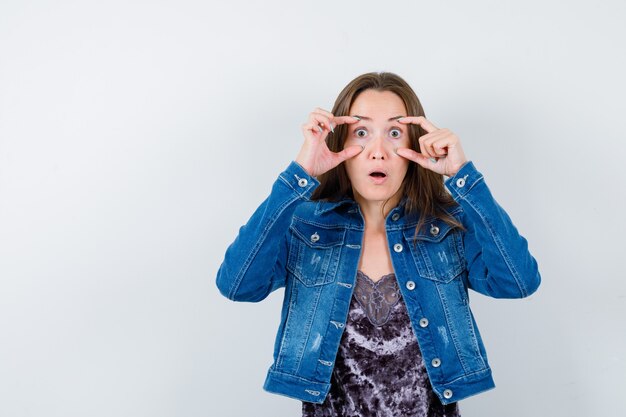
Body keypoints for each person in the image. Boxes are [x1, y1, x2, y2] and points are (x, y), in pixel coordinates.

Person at [216, 72, 541, 417]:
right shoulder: (305, 227)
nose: (378, 152)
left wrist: (463, 175)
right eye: (361, 132)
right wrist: (300, 173)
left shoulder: (446, 227)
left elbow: (518, 283)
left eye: (395, 133)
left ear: (416, 145)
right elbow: (237, 285)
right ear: (340, 143)